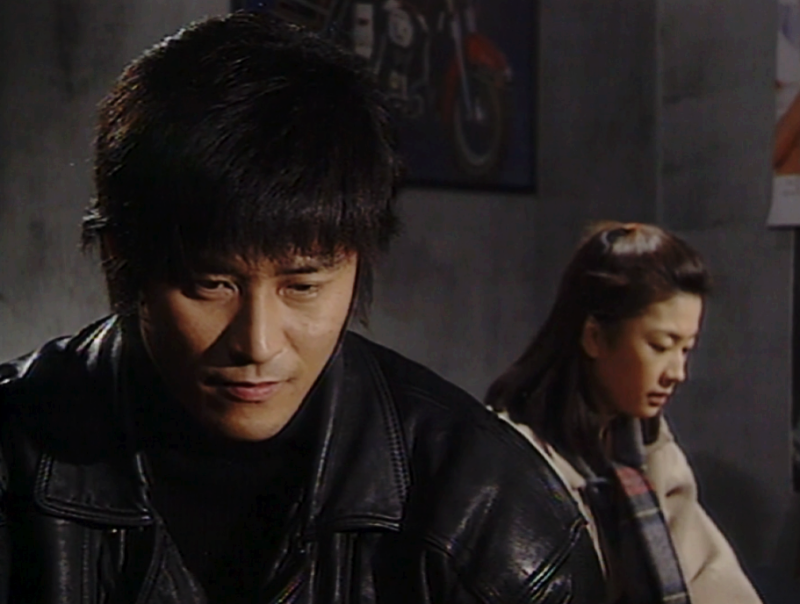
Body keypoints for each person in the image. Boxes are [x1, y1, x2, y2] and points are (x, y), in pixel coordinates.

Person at [0, 12, 605, 604]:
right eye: (212, 284)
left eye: (303, 286)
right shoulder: (13, 463)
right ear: (119, 257)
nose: (258, 342)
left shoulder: (488, 517)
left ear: (358, 261)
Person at [486, 222, 763, 604]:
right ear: (595, 337)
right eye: (660, 345)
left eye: (686, 349)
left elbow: (711, 579)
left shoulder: (648, 452)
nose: (677, 373)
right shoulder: (514, 462)